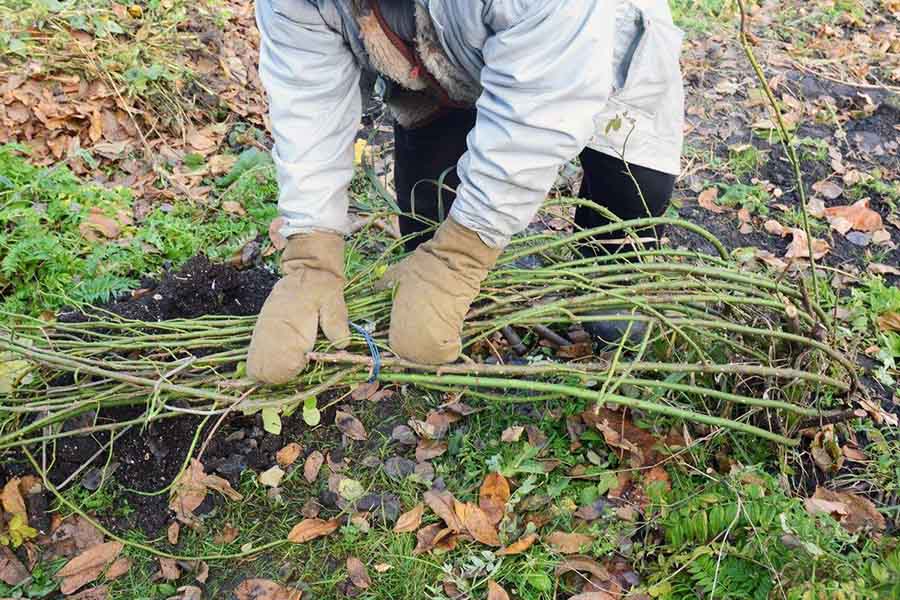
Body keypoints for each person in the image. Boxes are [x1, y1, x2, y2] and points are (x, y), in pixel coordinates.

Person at [247, 0, 685, 384]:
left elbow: (541, 108)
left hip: (600, 46)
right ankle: (483, 294)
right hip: (436, 61)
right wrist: (311, 254)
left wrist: (461, 253)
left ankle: (607, 292)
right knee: (425, 223)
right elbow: (307, 102)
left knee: (622, 216)